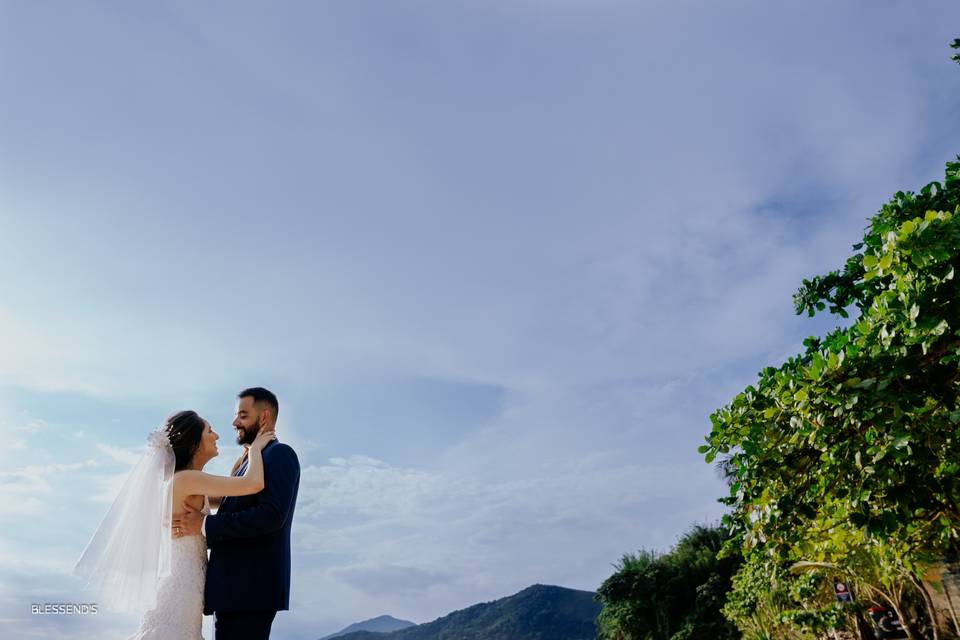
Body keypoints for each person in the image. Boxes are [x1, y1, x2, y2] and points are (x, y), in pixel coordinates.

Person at [75, 409, 276, 639]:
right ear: (193, 444)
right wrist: (258, 448)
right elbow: (253, 483)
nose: (217, 436)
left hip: (182, 587)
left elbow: (231, 497)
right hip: (181, 589)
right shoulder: (186, 479)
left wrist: (245, 456)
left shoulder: (182, 482)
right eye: (210, 431)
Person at [173, 387, 300, 640]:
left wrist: (205, 525)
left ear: (263, 417)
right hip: (231, 592)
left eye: (242, 415)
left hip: (250, 590)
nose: (234, 422)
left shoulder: (279, 455)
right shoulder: (249, 463)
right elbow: (232, 499)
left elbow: (271, 516)